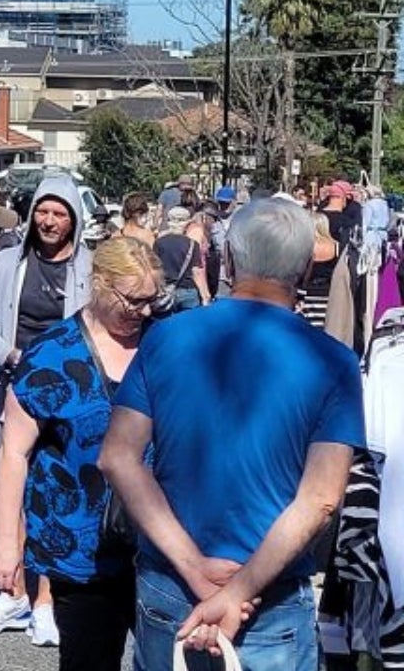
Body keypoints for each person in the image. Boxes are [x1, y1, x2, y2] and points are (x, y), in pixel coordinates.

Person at [100, 197, 364, 671]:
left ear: (230, 260)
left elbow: (119, 457)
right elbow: (322, 497)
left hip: (171, 582)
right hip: (269, 594)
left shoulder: (164, 337)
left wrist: (194, 568)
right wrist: (237, 590)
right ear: (305, 268)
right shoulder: (332, 361)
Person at [0, 237, 164, 671]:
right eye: (132, 300)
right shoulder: (52, 353)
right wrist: (6, 541)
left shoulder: (166, 343)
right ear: (98, 284)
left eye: (151, 300)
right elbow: (13, 453)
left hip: (161, 542)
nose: (142, 311)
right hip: (79, 547)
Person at [0, 174, 94, 643]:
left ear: (75, 220)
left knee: (57, 495)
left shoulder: (89, 268)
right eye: (44, 211)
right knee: (9, 492)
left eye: (60, 214)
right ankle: (14, 593)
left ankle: (46, 602)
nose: (50, 221)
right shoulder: (4, 265)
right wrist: (14, 356)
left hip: (67, 400)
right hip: (14, 387)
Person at [153, 206, 209, 314]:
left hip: (166, 291)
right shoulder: (193, 244)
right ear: (187, 223)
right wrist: (205, 296)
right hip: (188, 291)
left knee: (167, 326)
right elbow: (197, 272)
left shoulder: (159, 242)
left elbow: (155, 268)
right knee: (189, 327)